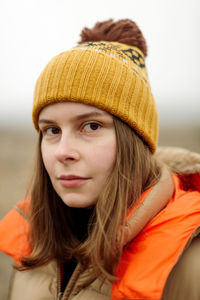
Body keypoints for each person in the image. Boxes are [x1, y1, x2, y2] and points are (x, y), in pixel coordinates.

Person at [0, 19, 200, 300]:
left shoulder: (190, 263)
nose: (63, 151)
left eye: (91, 126)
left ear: (135, 139)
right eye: (52, 130)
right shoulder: (31, 244)